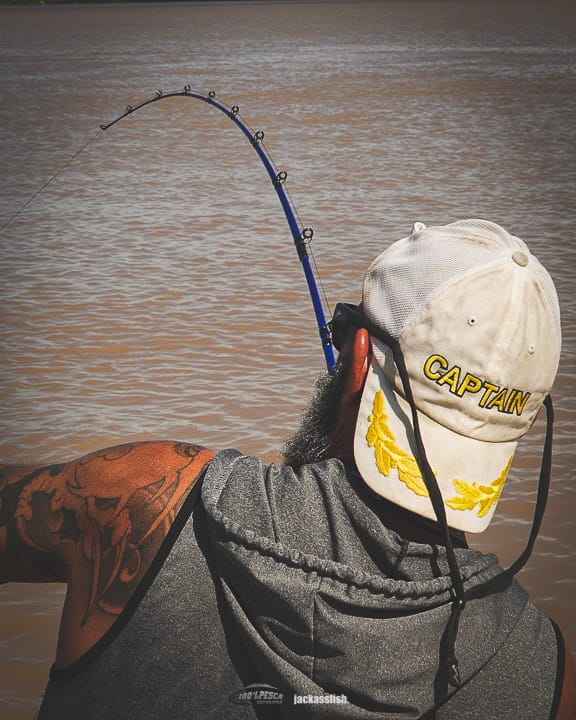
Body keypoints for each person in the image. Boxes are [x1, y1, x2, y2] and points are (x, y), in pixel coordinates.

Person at [0, 219, 574, 719]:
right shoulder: (548, 676)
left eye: (344, 329)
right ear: (524, 418)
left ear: (358, 361)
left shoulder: (141, 499)